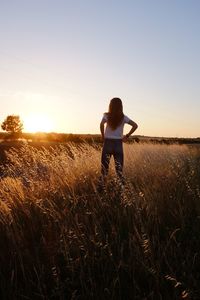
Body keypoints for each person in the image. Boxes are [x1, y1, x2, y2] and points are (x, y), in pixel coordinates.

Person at [100, 97, 138, 186]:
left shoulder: (106, 115)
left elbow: (101, 124)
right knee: (119, 171)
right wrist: (127, 136)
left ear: (110, 105)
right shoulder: (124, 117)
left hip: (108, 143)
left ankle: (101, 190)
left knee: (104, 170)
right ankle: (121, 191)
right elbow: (135, 125)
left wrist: (103, 136)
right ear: (121, 106)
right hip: (118, 144)